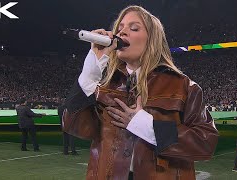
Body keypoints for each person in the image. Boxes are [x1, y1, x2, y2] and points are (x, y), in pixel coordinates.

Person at [62, 5, 218, 180]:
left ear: (152, 39)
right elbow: (73, 126)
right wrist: (90, 73)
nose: (122, 33)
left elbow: (205, 143)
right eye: (119, 29)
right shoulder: (105, 85)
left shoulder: (183, 86)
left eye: (134, 28)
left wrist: (145, 125)